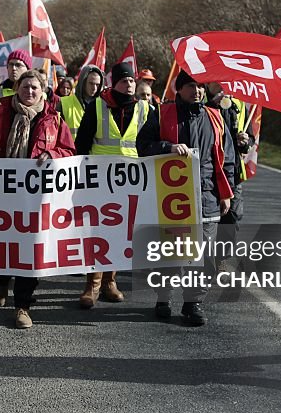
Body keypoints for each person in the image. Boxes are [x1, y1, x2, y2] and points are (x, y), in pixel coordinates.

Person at [0, 69, 75, 328]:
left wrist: (54, 154)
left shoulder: (54, 119)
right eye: (25, 86)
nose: (30, 91)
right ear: (17, 88)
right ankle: (2, 282)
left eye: (35, 88)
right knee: (3, 244)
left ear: (43, 91)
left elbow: (69, 150)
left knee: (30, 250)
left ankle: (22, 306)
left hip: (36, 198)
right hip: (2, 194)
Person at [140, 71, 235, 325]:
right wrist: (167, 148)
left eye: (201, 86)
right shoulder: (161, 114)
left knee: (202, 255)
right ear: (179, 90)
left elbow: (228, 159)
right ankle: (164, 297)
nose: (197, 91)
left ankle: (193, 303)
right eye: (191, 86)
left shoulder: (215, 117)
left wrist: (226, 194)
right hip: (173, 197)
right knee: (172, 252)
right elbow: (142, 147)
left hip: (208, 196)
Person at [73, 62, 149, 308]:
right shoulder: (97, 106)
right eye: (124, 80)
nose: (129, 84)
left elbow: (151, 145)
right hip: (99, 182)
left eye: (132, 81)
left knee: (120, 233)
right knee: (97, 232)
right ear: (114, 83)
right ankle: (92, 284)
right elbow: (82, 145)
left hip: (131, 183)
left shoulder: (145, 109)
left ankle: (109, 282)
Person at [204, 82, 254, 270]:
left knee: (232, 216)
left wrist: (245, 141)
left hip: (233, 170)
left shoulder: (238, 104)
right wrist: (212, 105)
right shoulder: (200, 100)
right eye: (216, 81)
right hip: (208, 168)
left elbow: (250, 137)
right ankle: (200, 257)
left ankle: (222, 258)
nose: (221, 84)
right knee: (207, 215)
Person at [58, 65, 104, 134]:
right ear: (83, 82)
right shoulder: (63, 103)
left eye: (97, 85)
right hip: (71, 144)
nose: (94, 88)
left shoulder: (105, 106)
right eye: (91, 83)